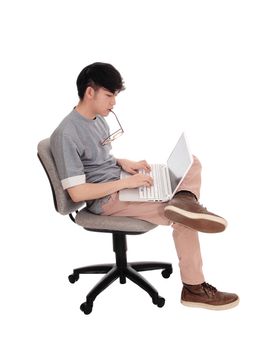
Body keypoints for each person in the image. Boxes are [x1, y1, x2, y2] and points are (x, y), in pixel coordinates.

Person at [50, 62, 239, 310]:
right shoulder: (66, 134)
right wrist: (127, 182)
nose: (114, 103)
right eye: (109, 95)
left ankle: (183, 200)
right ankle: (194, 288)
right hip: (106, 201)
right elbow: (77, 192)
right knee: (183, 220)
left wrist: (122, 162)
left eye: (115, 96)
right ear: (89, 92)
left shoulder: (97, 119)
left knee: (192, 162)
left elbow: (96, 158)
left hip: (119, 181)